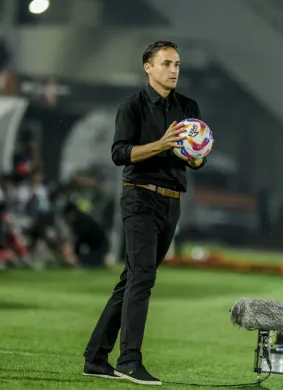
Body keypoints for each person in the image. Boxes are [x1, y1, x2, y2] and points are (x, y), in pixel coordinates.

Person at [82, 40, 207, 385]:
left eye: (177, 64)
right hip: (139, 197)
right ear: (148, 67)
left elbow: (197, 157)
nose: (173, 70)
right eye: (166, 64)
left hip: (171, 200)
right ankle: (128, 360)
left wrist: (197, 156)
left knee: (134, 277)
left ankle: (95, 357)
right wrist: (160, 145)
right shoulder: (132, 107)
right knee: (142, 278)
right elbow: (120, 154)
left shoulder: (188, 106)